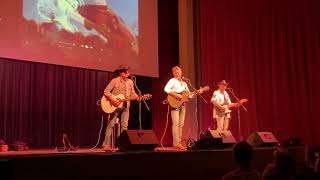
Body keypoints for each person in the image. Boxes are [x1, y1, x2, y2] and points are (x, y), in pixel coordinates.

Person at [102, 65, 140, 150]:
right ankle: (106, 144)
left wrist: (138, 97)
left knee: (124, 126)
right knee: (111, 124)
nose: (127, 73)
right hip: (115, 106)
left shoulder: (130, 82)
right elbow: (106, 91)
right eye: (125, 71)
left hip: (126, 106)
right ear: (120, 73)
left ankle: (123, 145)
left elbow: (133, 93)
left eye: (127, 71)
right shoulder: (115, 81)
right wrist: (112, 99)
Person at [164, 66, 190, 149]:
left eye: (179, 72)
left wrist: (198, 92)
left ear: (181, 72)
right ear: (173, 73)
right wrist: (177, 95)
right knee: (176, 124)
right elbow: (166, 89)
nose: (177, 73)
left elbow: (189, 94)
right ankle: (176, 143)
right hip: (174, 103)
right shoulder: (172, 81)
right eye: (175, 72)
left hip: (182, 104)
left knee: (181, 124)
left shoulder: (184, 83)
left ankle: (179, 143)